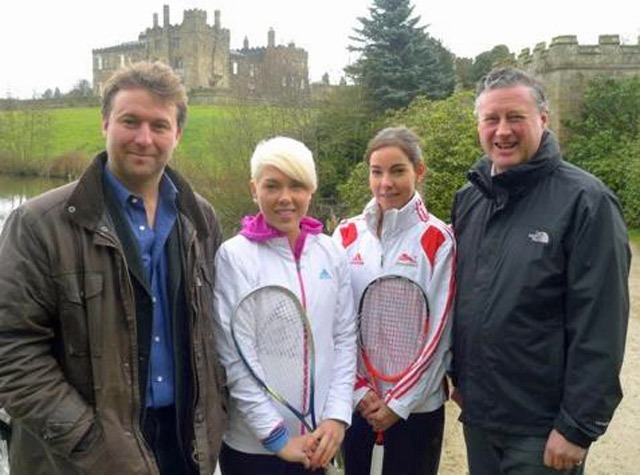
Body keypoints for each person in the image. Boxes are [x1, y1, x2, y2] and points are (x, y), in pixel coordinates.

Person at [0, 61, 227, 475]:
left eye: (159, 125)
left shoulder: (201, 217)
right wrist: (93, 445)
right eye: (130, 121)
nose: (144, 138)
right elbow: (12, 351)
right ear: (105, 121)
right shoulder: (38, 223)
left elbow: (211, 333)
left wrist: (214, 418)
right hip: (79, 458)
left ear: (177, 133)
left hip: (182, 446)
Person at [451, 67, 630, 475]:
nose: (502, 131)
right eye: (491, 119)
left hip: (542, 431)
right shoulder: (470, 199)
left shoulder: (587, 202)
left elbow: (601, 323)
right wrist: (459, 375)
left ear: (543, 120)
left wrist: (578, 426)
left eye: (516, 117)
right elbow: (466, 297)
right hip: (480, 418)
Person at [212, 136, 357, 474]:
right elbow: (235, 356)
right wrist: (276, 438)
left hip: (320, 442)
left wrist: (336, 417)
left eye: (297, 186)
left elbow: (345, 338)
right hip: (254, 450)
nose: (285, 198)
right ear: (254, 188)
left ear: (311, 189)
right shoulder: (235, 256)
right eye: (272, 186)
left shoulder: (330, 252)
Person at [332, 126, 456, 475]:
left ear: (419, 171)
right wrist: (358, 391)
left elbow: (440, 333)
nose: (386, 182)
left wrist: (399, 402)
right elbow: (334, 321)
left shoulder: (439, 239)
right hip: (358, 404)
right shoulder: (345, 234)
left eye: (398, 170)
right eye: (377, 171)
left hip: (416, 409)